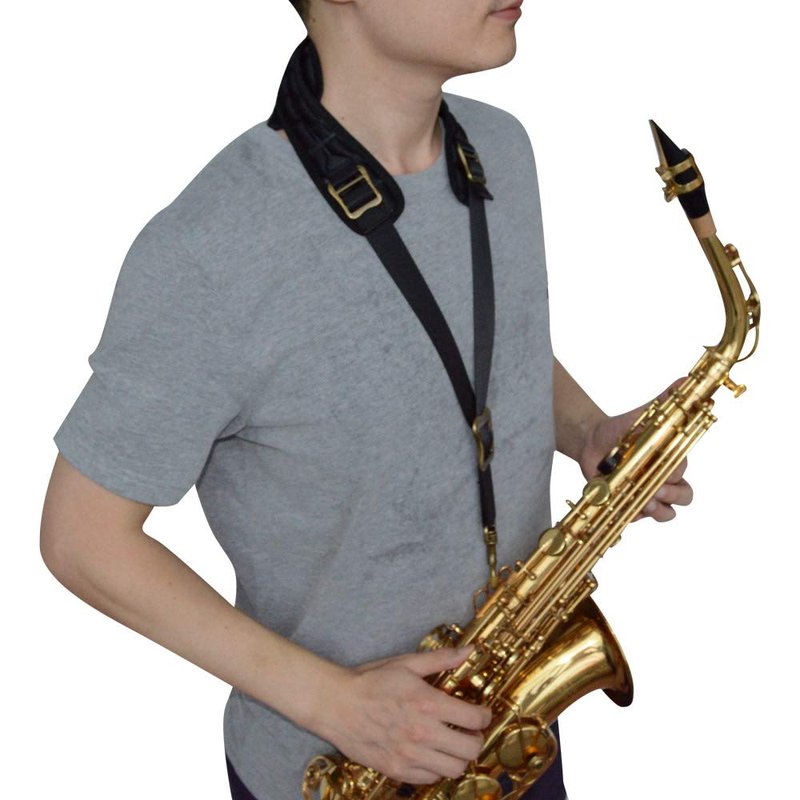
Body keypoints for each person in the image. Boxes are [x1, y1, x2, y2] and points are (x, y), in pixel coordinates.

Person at [40, 2, 693, 799]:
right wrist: (339, 707)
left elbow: (477, 342)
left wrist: (586, 428)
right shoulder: (211, 247)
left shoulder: (499, 149)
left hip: (513, 723)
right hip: (344, 769)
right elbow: (81, 539)